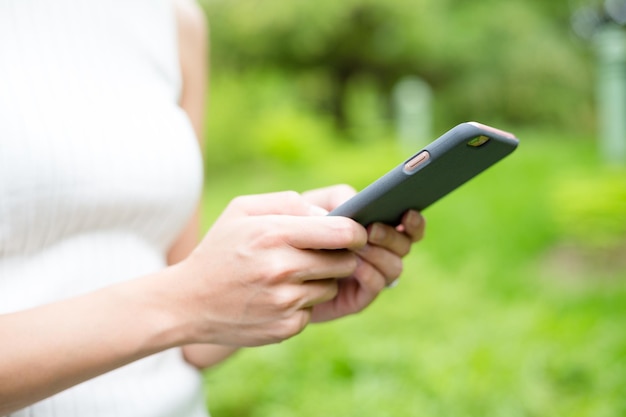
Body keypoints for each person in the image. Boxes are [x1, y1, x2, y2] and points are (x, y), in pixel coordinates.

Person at [0, 1, 425, 416]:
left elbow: (190, 338)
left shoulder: (174, 19)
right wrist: (186, 299)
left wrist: (275, 284)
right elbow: (181, 300)